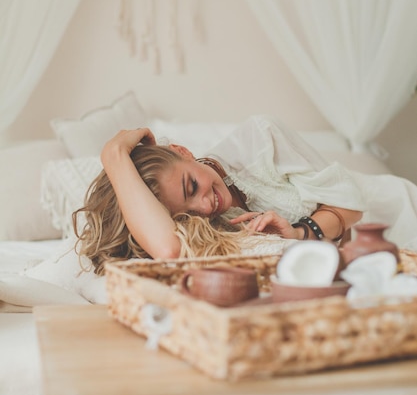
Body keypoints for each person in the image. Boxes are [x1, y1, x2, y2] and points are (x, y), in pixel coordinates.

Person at [74, 115, 417, 275]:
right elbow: (169, 248)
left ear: (182, 151)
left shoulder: (259, 139)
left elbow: (351, 204)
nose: (205, 207)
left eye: (191, 186)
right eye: (188, 213)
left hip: (396, 213)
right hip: (373, 265)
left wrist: (114, 154)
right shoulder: (205, 226)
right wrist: (116, 164)